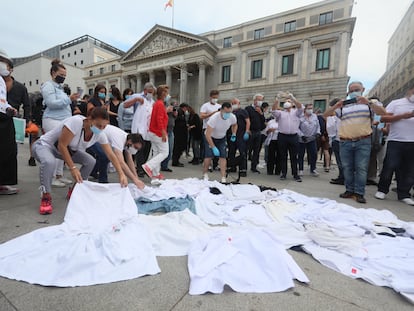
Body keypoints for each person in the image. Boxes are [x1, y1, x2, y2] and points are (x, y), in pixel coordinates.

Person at [32, 107, 127, 215]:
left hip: (68, 151)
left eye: (104, 126)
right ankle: (46, 195)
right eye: (98, 125)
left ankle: (75, 191)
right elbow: (62, 145)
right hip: (45, 146)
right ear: (90, 119)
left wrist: (121, 173)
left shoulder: (99, 134)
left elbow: (110, 154)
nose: (101, 128)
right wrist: (73, 168)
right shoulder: (76, 122)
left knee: (90, 161)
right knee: (49, 162)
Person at [324, 81, 386, 203]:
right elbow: (325, 114)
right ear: (348, 92)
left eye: (356, 89)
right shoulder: (343, 106)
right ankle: (349, 190)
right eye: (351, 91)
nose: (354, 92)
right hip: (345, 141)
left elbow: (383, 113)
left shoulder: (371, 104)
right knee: (347, 167)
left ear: (362, 89)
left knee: (361, 168)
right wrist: (336, 106)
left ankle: (359, 192)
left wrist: (367, 102)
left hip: (363, 141)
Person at [41, 59, 79, 188]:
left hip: (63, 121)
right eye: (61, 75)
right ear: (53, 73)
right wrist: (69, 99)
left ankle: (59, 175)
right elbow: (51, 103)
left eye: (64, 76)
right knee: (58, 147)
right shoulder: (48, 86)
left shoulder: (60, 88)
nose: (63, 77)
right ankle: (52, 176)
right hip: (52, 119)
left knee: (63, 148)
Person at [375, 84, 414, 205]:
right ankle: (382, 190)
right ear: (410, 91)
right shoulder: (396, 103)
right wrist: (404, 116)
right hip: (396, 140)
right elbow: (383, 118)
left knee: (409, 170)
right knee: (389, 165)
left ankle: (404, 194)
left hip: (412, 142)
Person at [5, 59, 35, 166]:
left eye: (5, 66)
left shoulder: (21, 88)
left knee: (11, 150)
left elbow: (27, 105)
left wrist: (27, 120)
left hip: (13, 121)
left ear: (11, 69)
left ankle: (7, 178)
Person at [123, 82, 155, 177]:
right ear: (145, 90)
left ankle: (141, 167)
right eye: (149, 92)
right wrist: (136, 100)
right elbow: (125, 105)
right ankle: (139, 168)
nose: (150, 94)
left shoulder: (151, 101)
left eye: (152, 92)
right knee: (139, 148)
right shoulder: (137, 96)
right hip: (138, 127)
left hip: (147, 128)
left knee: (147, 147)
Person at [141, 85, 169, 185]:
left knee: (157, 153)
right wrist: (163, 132)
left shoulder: (157, 104)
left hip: (153, 132)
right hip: (158, 132)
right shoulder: (160, 104)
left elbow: (158, 117)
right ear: (163, 93)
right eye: (166, 92)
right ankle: (149, 166)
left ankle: (155, 175)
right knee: (164, 152)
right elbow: (159, 119)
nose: (167, 94)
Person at [271, 93, 303, 182]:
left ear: (292, 104)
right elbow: (273, 110)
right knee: (283, 156)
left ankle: (295, 174)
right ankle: (283, 173)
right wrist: (277, 99)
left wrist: (293, 98)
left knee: (294, 156)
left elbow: (300, 107)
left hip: (293, 136)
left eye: (289, 101)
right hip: (282, 136)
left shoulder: (296, 112)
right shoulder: (281, 113)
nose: (287, 103)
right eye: (285, 102)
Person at [202, 102, 237, 183]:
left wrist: (234, 133)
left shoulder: (232, 117)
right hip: (211, 137)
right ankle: (205, 173)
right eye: (226, 112)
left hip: (221, 137)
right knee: (209, 155)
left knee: (223, 156)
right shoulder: (214, 118)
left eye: (229, 112)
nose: (227, 114)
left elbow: (235, 125)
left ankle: (223, 177)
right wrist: (213, 147)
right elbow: (207, 135)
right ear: (221, 110)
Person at [102, 125, 145, 189]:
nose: (135, 150)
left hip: (102, 137)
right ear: (130, 142)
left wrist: (136, 178)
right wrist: (134, 180)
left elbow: (130, 161)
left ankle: (96, 173)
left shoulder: (128, 141)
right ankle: (102, 180)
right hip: (96, 133)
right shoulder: (119, 139)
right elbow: (121, 162)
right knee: (105, 156)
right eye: (135, 147)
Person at [0, 49, 19, 195]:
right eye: (6, 64)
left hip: (4, 117)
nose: (8, 68)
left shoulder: (1, 80)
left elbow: (2, 101)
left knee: (8, 150)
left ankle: (3, 182)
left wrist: (9, 107)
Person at [86, 85, 109, 183]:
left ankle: (94, 171)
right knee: (103, 154)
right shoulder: (92, 101)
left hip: (101, 129)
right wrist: (100, 108)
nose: (102, 93)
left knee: (103, 154)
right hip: (93, 129)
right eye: (101, 91)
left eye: (104, 92)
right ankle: (102, 178)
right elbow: (90, 111)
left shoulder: (103, 101)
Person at [227, 98, 250, 176]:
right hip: (232, 134)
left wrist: (247, 131)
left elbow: (248, 121)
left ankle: (243, 169)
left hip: (241, 134)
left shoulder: (243, 111)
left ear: (239, 103)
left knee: (242, 152)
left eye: (235, 102)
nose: (234, 104)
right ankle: (232, 167)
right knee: (231, 152)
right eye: (232, 103)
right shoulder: (230, 112)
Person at [324, 98, 344, 185]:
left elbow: (331, 127)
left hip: (337, 139)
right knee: (344, 161)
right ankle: (342, 177)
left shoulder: (333, 115)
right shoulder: (344, 113)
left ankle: (342, 177)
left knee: (340, 160)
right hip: (345, 138)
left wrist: (331, 139)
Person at [200, 90, 221, 169]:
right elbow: (201, 116)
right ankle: (208, 164)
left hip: (217, 129)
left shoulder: (219, 106)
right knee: (208, 147)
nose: (215, 99)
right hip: (207, 128)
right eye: (214, 97)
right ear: (210, 97)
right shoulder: (205, 106)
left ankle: (216, 163)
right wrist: (212, 113)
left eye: (216, 97)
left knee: (217, 146)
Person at [298, 103, 321, 177]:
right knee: (301, 154)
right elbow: (297, 127)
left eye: (311, 108)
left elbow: (318, 126)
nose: (310, 110)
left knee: (313, 154)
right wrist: (301, 135)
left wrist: (318, 133)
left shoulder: (314, 116)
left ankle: (313, 169)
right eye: (309, 108)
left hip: (312, 138)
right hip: (302, 139)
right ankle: (300, 169)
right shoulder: (300, 117)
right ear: (305, 109)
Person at [245, 94, 266, 174]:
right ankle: (244, 166)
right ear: (254, 100)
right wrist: (247, 129)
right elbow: (246, 120)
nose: (260, 102)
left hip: (258, 132)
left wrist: (261, 113)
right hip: (250, 132)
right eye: (259, 99)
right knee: (247, 150)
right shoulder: (248, 109)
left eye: (261, 100)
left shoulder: (260, 109)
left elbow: (263, 120)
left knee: (256, 151)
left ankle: (254, 167)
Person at [161, 101, 178, 172]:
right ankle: (160, 165)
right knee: (162, 149)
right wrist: (166, 110)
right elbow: (160, 116)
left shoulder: (171, 111)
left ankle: (165, 165)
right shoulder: (162, 108)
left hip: (171, 131)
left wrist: (174, 113)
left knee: (170, 149)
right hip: (164, 131)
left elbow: (174, 118)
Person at [172, 103, 189, 167]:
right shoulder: (179, 112)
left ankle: (176, 161)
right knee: (178, 148)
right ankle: (175, 161)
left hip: (181, 133)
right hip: (179, 133)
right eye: (186, 108)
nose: (186, 110)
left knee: (179, 148)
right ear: (183, 107)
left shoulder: (182, 113)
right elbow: (178, 121)